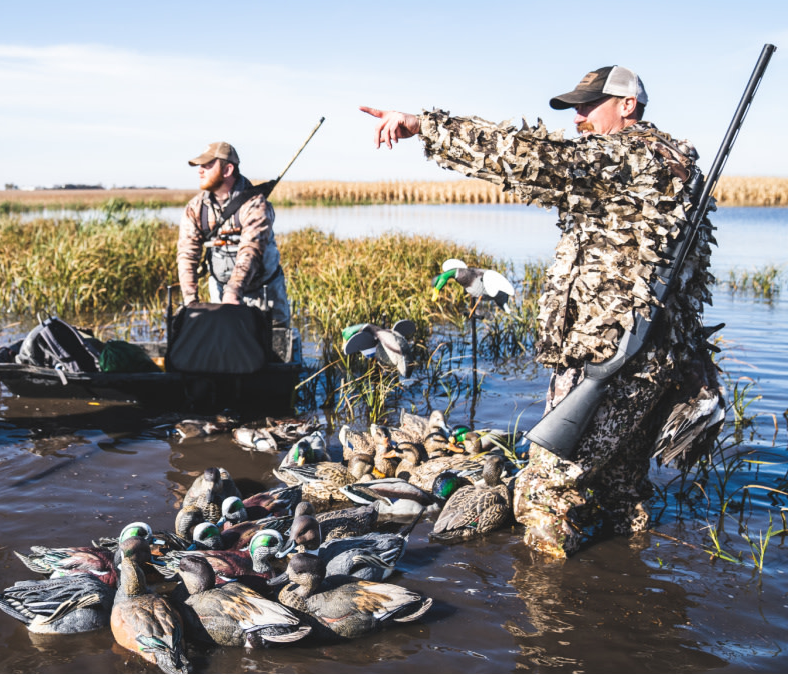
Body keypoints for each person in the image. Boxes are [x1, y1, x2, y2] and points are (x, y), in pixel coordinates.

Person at [361, 66, 721, 557]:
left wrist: (426, 126)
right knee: (620, 493)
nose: (578, 117)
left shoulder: (628, 157)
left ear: (628, 106)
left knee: (543, 492)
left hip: (614, 360)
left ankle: (549, 620)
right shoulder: (674, 165)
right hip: (654, 358)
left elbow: (531, 156)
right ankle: (630, 601)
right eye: (575, 107)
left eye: (588, 106)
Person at [177, 141, 290, 328]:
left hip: (264, 293)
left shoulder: (255, 205)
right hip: (220, 290)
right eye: (200, 166)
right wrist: (190, 302)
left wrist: (233, 292)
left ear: (227, 170)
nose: (200, 170)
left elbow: (250, 251)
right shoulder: (195, 209)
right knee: (226, 345)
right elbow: (187, 255)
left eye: (207, 165)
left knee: (275, 346)